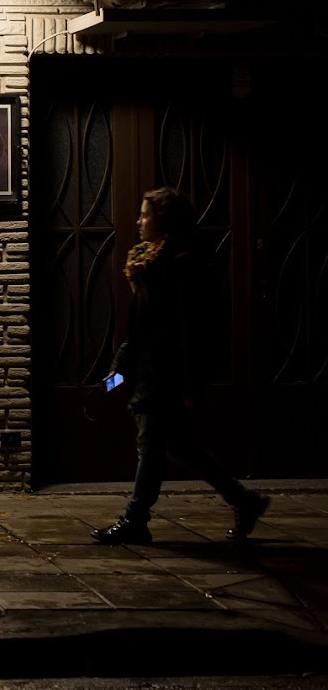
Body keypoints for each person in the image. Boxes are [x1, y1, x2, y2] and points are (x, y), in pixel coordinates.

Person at [91, 188, 270, 545]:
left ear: (165, 220)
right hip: (148, 371)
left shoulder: (182, 264)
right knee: (181, 448)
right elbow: (140, 329)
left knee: (151, 448)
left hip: (166, 376)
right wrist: (118, 368)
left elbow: (192, 330)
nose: (139, 221)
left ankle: (136, 519)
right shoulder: (148, 264)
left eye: (146, 215)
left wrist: (191, 386)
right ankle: (245, 500)